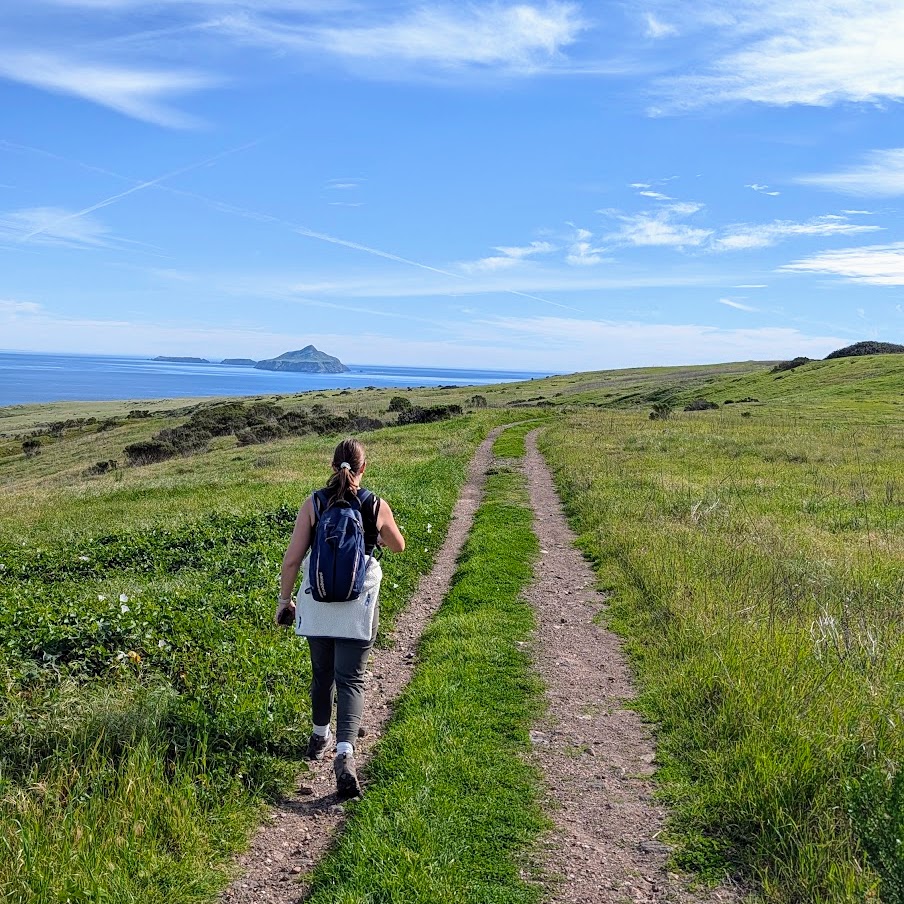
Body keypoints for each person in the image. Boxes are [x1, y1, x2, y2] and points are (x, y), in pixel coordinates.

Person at [275, 437, 405, 797]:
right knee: (352, 679)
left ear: (332, 466)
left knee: (322, 673)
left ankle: (319, 736)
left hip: (317, 600)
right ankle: (344, 753)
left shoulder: (314, 503)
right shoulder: (374, 504)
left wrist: (285, 601)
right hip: (357, 602)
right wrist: (374, 538)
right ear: (363, 468)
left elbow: (291, 560)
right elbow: (398, 545)